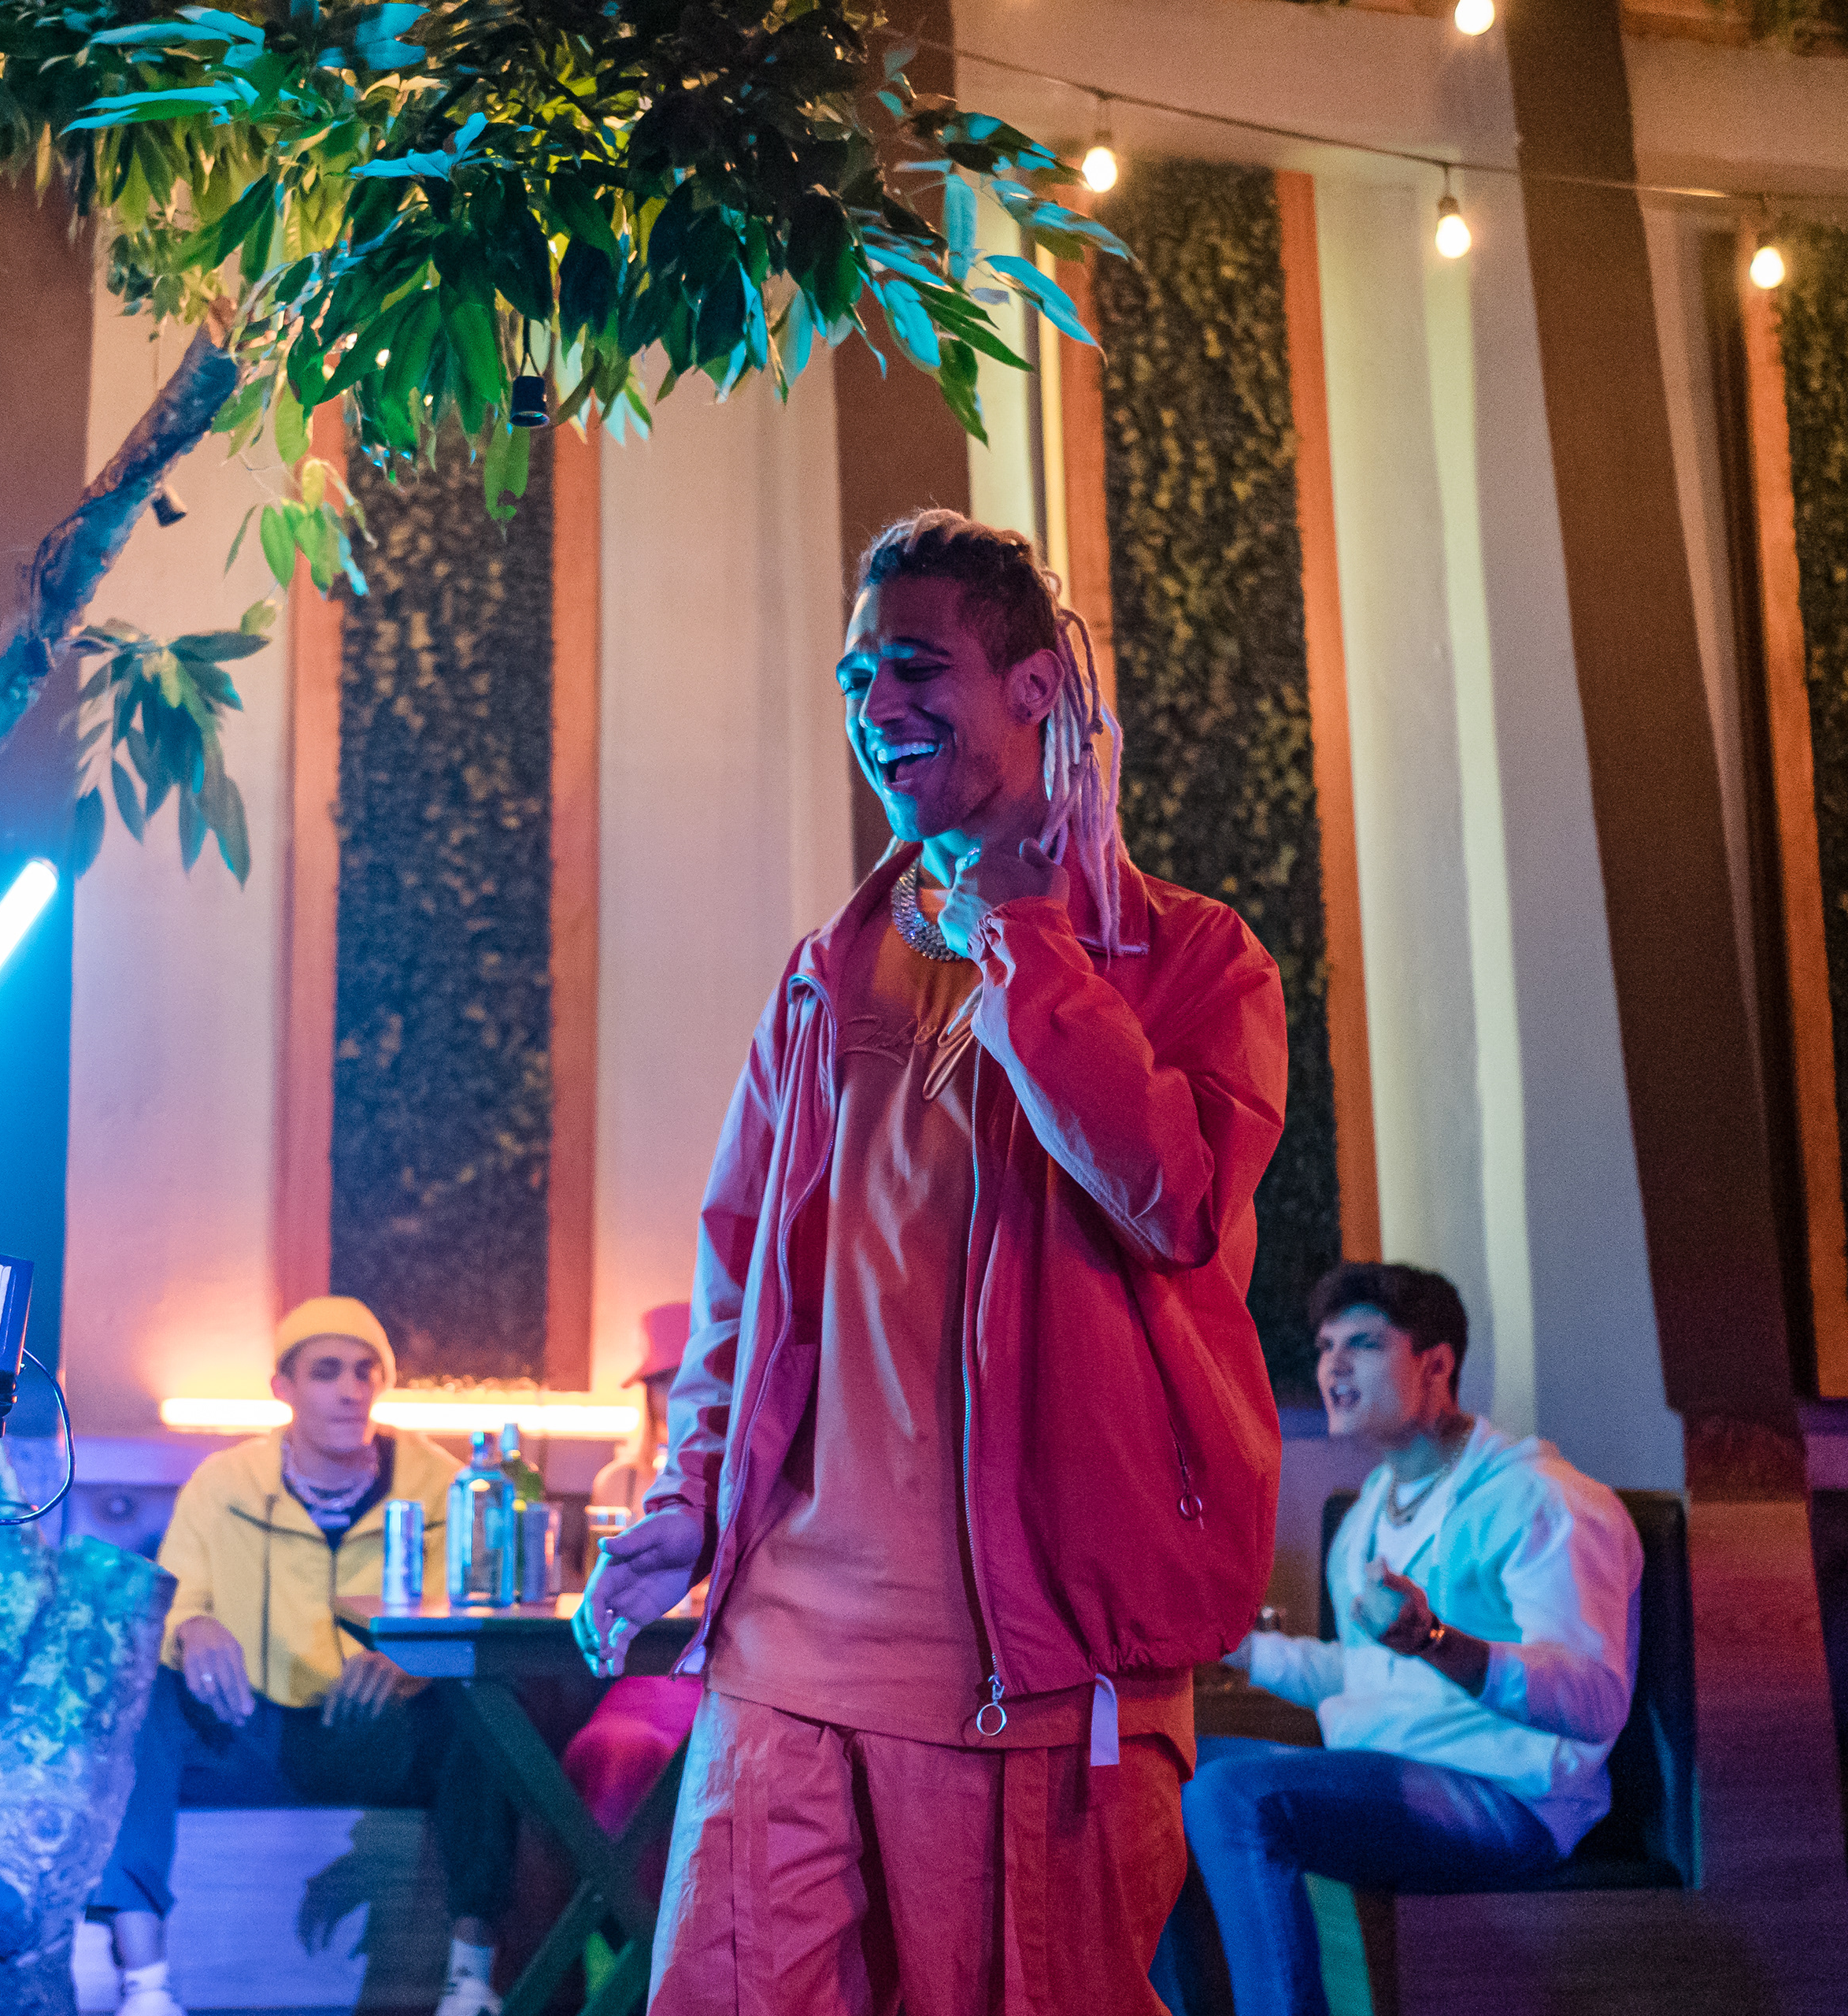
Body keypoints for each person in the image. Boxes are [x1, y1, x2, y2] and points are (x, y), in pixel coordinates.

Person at [578, 512, 1289, 2015]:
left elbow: (1169, 1200)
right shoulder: (827, 972)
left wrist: (1026, 929)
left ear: (1037, 688)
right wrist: (690, 1501)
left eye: (916, 667)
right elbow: (742, 1279)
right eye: (856, 678)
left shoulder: (1196, 959)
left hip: (1041, 1676)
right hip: (785, 1652)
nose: (876, 706)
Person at [1182, 1262, 1642, 2016]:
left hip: (1509, 1797)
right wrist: (1231, 1644)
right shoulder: (1370, 1511)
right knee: (1163, 1761)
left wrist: (1434, 1639)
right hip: (1390, 1764)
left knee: (1231, 1795)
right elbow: (1369, 1676)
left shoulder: (1540, 1500)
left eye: (1363, 1344)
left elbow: (1595, 1701)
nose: (1334, 1366)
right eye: (1326, 1346)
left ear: (1436, 1364)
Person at [93, 1297, 515, 2016]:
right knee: (144, 1700)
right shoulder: (224, 1483)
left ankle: (471, 1983)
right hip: (249, 1729)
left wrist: (414, 1661)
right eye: (326, 1372)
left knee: (485, 1712)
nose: (351, 1390)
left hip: (381, 1734)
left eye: (365, 1371)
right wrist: (193, 1628)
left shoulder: (445, 1485)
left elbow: (474, 1617)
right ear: (283, 1388)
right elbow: (169, 1604)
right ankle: (146, 1987)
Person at [562, 1304, 699, 1847]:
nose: (678, 1394)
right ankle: (606, 1896)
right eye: (664, 1381)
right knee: (609, 1746)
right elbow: (592, 1595)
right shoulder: (618, 1482)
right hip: (631, 1670)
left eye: (690, 1376)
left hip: (711, 1671)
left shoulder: (748, 1483)